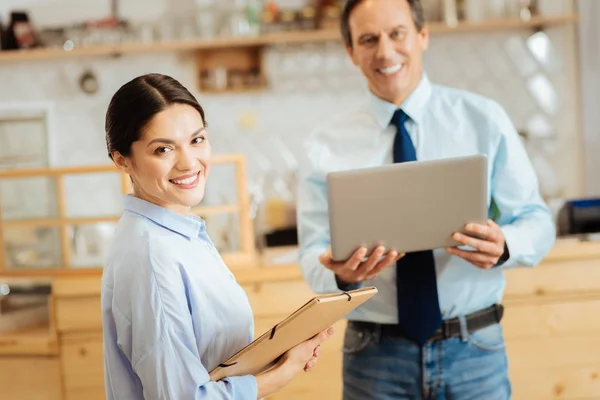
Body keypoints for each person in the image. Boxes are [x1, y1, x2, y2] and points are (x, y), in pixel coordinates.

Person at [296, 0, 556, 399]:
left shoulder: (484, 119)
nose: (385, 52)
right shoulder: (323, 146)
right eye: (368, 39)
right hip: (374, 357)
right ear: (350, 51)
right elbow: (312, 253)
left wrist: (506, 246)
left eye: (397, 33)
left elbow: (536, 220)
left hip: (475, 349)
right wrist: (342, 275)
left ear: (422, 36)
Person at [100, 73, 335, 399]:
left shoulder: (180, 235)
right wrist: (284, 372)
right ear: (122, 160)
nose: (189, 163)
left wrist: (276, 354)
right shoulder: (152, 257)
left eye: (197, 140)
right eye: (164, 149)